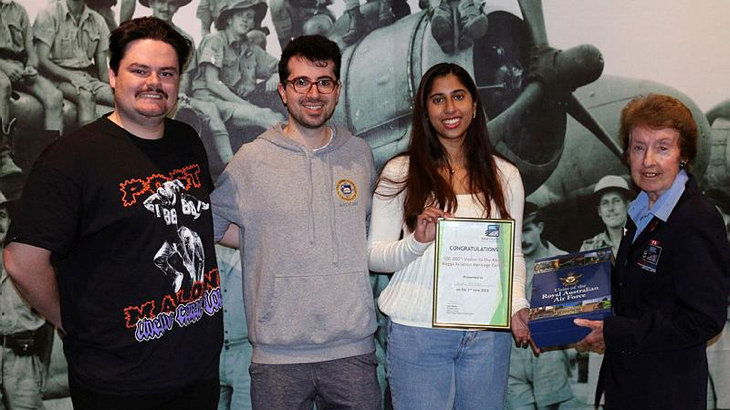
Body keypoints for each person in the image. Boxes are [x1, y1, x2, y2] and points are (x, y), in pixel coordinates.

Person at [3, 17, 223, 409]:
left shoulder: (187, 141)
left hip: (196, 372)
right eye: (139, 70)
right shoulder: (72, 158)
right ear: (112, 74)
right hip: (119, 383)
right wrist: (71, 320)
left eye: (166, 73)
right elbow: (22, 261)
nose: (154, 82)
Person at [211, 34, 380, 410]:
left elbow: (369, 230)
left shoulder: (360, 154)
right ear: (283, 91)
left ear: (337, 89)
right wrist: (264, 238)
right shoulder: (250, 160)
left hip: (352, 352)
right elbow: (214, 227)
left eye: (324, 82)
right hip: (277, 360)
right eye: (301, 82)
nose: (313, 93)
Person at [367, 62, 532, 410]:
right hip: (418, 333)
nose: (450, 108)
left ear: (474, 105)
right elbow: (375, 255)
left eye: (458, 96)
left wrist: (517, 305)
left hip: (488, 335)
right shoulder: (400, 172)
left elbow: (512, 255)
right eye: (438, 100)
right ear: (425, 112)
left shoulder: (506, 175)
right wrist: (417, 242)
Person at [575, 93, 730, 409]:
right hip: (627, 385)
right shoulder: (640, 212)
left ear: (683, 154)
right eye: (638, 147)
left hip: (667, 391)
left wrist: (615, 332)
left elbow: (703, 319)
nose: (648, 161)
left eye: (662, 147)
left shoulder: (697, 218)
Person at [188, 0, 283, 169]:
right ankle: (292, 161)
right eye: (240, 15)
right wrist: (246, 105)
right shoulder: (215, 40)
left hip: (232, 104)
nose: (245, 20)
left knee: (275, 115)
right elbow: (212, 83)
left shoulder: (249, 47)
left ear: (254, 22)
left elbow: (285, 66)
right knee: (265, 116)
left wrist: (277, 74)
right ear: (229, 19)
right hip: (209, 100)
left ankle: (280, 163)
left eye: (250, 17)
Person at [507, 202, 573, 410]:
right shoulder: (508, 265)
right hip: (514, 358)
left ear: (540, 227)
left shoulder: (564, 262)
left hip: (549, 358)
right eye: (518, 232)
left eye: (527, 230)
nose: (523, 239)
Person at [0, 0, 63, 178]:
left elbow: (31, 51)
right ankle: (2, 156)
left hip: (19, 66)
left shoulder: (19, 11)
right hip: (1, 68)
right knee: (2, 86)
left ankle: (53, 160)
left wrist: (31, 67)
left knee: (54, 97)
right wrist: (3, 66)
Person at [0, 189, 49, 409]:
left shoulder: (27, 262)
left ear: (10, 219)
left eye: (1, 215)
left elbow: (51, 320)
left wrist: (41, 366)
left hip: (23, 362)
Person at [33, 0, 115, 127]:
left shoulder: (98, 20)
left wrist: (119, 87)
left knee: (124, 98)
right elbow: (41, 59)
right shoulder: (50, 14)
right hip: (56, 77)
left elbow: (103, 71)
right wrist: (72, 77)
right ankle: (85, 145)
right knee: (86, 96)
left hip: (88, 78)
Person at [579, 175, 631, 256]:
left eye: (616, 201)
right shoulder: (590, 248)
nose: (610, 208)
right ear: (599, 211)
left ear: (627, 205)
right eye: (605, 203)